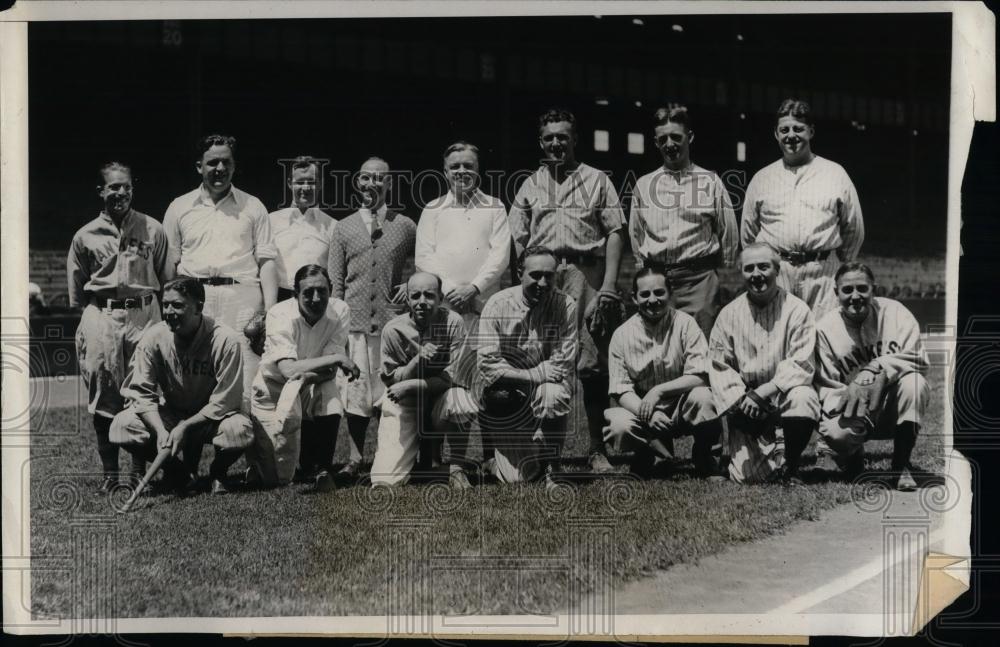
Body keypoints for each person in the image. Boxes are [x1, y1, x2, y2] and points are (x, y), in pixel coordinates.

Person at [507, 108, 626, 474]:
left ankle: (596, 450)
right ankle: (538, 451)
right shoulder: (530, 184)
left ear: (575, 139)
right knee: (539, 361)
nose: (556, 143)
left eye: (563, 136)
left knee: (591, 365)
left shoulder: (596, 180)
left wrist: (608, 285)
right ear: (540, 142)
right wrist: (520, 287)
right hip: (543, 277)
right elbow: (517, 239)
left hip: (585, 272)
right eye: (549, 138)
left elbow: (615, 232)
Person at [66, 161, 172, 492]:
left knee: (144, 392)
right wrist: (94, 323)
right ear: (101, 191)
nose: (121, 192)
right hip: (102, 315)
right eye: (113, 187)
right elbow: (78, 287)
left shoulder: (152, 228)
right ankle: (110, 477)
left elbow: (166, 281)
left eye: (126, 186)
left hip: (144, 314)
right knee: (103, 396)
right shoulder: (85, 236)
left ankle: (139, 472)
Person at [163, 134, 279, 413]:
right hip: (194, 301)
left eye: (225, 162)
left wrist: (270, 313)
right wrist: (168, 307)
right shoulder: (179, 207)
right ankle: (188, 451)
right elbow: (170, 264)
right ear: (198, 167)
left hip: (241, 300)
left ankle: (252, 454)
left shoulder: (253, 206)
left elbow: (266, 261)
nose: (219, 169)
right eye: (212, 162)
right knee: (192, 379)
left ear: (234, 165)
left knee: (247, 384)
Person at [109, 277, 254, 495]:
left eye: (177, 305)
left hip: (210, 418)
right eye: (165, 304)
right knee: (122, 426)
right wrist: (160, 431)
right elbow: (141, 393)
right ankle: (179, 472)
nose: (168, 311)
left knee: (240, 431)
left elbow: (226, 399)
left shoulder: (225, 339)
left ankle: (218, 471)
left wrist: (186, 427)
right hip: (172, 414)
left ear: (199, 308)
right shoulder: (154, 336)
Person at [415, 140, 512, 466]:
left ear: (478, 169)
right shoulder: (432, 209)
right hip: (446, 310)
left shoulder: (495, 207)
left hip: (484, 309)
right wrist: (452, 291)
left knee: (487, 378)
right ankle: (438, 458)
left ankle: (490, 455)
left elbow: (500, 255)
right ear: (444, 171)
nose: (462, 172)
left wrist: (474, 288)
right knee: (446, 379)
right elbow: (424, 256)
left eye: (468, 165)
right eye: (455, 166)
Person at [327, 156, 417, 479]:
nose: (372, 184)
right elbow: (335, 283)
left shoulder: (405, 226)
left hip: (391, 325)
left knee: (388, 392)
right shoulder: (343, 227)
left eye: (379, 179)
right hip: (355, 326)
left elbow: (418, 270)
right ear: (357, 182)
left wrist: (408, 284)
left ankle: (386, 455)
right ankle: (354, 459)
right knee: (357, 394)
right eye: (366, 178)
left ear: (389, 184)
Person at [741, 99, 865, 318]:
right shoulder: (762, 178)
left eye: (798, 129)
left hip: (823, 274)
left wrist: (835, 262)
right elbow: (748, 234)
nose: (791, 135)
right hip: (778, 274)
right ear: (776, 134)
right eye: (784, 130)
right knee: (778, 339)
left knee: (824, 340)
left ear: (811, 131)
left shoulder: (835, 173)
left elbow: (853, 228)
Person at [708, 243, 819, 484]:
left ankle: (791, 464)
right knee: (747, 477)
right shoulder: (728, 314)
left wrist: (765, 392)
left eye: (763, 266)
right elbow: (719, 367)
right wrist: (744, 400)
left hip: (782, 394)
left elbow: (802, 362)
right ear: (742, 273)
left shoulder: (798, 310)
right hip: (746, 404)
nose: (756, 274)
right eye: (749, 268)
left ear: (777, 270)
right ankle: (763, 450)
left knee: (804, 397)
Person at [814, 262, 929, 490]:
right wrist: (853, 397)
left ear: (873, 289)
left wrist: (877, 367)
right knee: (837, 434)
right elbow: (825, 385)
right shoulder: (825, 329)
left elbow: (919, 360)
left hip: (891, 406)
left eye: (862, 289)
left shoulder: (896, 313)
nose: (855, 296)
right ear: (836, 293)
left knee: (914, 382)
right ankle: (854, 456)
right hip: (850, 408)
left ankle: (900, 466)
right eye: (847, 290)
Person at [247, 265, 358, 492]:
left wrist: (310, 374)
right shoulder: (279, 313)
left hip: (313, 381)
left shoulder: (341, 310)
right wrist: (337, 357)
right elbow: (287, 370)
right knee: (276, 478)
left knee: (331, 397)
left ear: (331, 289)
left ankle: (321, 469)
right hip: (273, 388)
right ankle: (260, 467)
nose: (316, 298)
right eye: (308, 292)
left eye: (322, 291)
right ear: (295, 293)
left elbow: (329, 372)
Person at [628, 106, 738, 337]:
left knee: (701, 350)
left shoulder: (711, 182)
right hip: (657, 284)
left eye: (676, 137)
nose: (670, 144)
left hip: (699, 282)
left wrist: (723, 279)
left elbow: (728, 234)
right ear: (656, 142)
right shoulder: (644, 185)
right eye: (663, 139)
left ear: (690, 137)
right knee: (661, 350)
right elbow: (636, 235)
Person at [602, 266, 721, 478]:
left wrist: (659, 391)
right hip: (644, 408)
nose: (653, 300)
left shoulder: (686, 324)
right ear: (634, 298)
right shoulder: (622, 335)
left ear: (670, 293)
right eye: (645, 294)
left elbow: (701, 376)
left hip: (680, 405)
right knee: (619, 424)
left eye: (659, 292)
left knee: (705, 398)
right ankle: (648, 452)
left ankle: (704, 455)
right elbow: (621, 390)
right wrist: (647, 413)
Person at [477, 246, 577, 487]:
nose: (543, 282)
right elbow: (487, 364)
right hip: (507, 393)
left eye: (549, 276)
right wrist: (532, 375)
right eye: (535, 275)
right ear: (520, 272)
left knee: (553, 393)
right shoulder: (497, 304)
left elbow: (563, 360)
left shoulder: (566, 305)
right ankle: (497, 457)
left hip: (545, 388)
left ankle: (553, 466)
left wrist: (538, 378)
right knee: (516, 480)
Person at [370, 272, 478, 488]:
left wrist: (414, 383)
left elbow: (457, 376)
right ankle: (427, 466)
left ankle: (456, 468)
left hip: (438, 397)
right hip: (405, 401)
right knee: (385, 480)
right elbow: (392, 383)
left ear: (440, 297)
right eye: (415, 296)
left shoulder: (453, 322)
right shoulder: (393, 330)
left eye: (429, 295)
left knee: (461, 399)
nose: (421, 302)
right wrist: (416, 361)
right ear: (408, 299)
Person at [269, 156, 337, 302]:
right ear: (289, 183)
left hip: (317, 301)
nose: (305, 187)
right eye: (300, 182)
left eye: (312, 182)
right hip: (280, 299)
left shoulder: (333, 226)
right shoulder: (270, 221)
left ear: (320, 184)